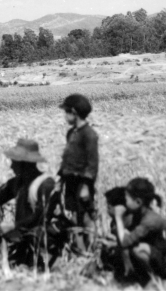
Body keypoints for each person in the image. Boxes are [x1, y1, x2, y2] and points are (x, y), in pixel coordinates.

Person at [0, 138, 66, 269]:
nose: (11, 166)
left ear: (24, 164)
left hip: (44, 244)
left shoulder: (45, 184)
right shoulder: (18, 183)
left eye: (14, 162)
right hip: (24, 240)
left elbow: (41, 216)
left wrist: (13, 225)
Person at [111, 177, 166, 286]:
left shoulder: (149, 221)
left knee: (138, 249)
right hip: (157, 256)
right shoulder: (138, 214)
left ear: (138, 202)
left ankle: (154, 280)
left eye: (126, 199)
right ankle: (140, 276)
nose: (124, 201)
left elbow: (125, 242)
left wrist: (118, 217)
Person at [57, 93, 99, 251]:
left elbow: (92, 163)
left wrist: (87, 186)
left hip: (83, 183)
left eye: (66, 112)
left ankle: (94, 249)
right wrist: (60, 179)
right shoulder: (71, 133)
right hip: (70, 181)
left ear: (73, 112)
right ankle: (81, 251)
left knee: (87, 217)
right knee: (74, 216)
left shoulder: (89, 135)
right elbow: (66, 158)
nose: (65, 116)